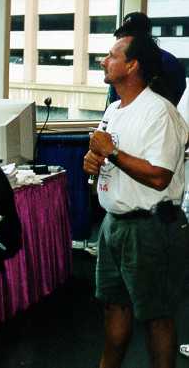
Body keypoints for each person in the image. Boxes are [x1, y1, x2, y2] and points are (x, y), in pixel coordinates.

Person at [83, 33, 188, 368]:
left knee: (156, 318)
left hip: (150, 228)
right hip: (113, 224)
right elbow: (104, 157)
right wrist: (93, 162)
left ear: (132, 65)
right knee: (115, 307)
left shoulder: (160, 112)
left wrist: (111, 153)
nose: (104, 60)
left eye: (112, 55)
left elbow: (159, 176)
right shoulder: (114, 109)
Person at [108, 12, 186, 107]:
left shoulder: (168, 62)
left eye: (132, 34)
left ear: (146, 35)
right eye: (124, 34)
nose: (125, 38)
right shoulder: (120, 63)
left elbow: (174, 100)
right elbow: (113, 102)